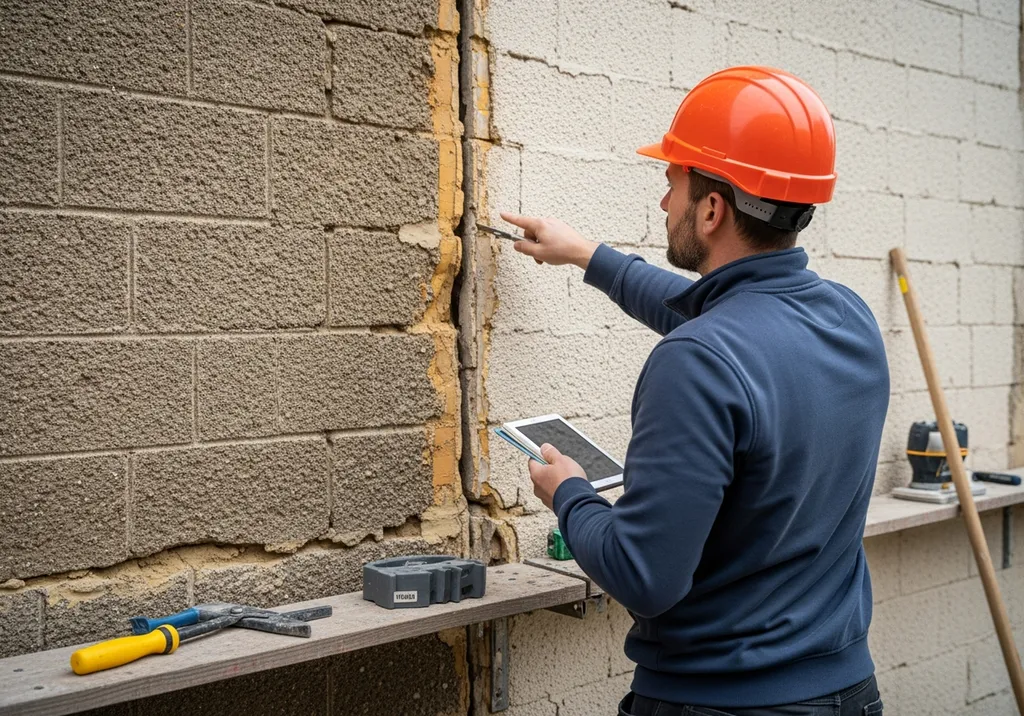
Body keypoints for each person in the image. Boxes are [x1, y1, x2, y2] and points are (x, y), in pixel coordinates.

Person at [500, 66, 889, 716]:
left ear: (712, 209)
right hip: (849, 693)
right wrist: (587, 255)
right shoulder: (850, 318)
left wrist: (568, 492)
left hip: (721, 705)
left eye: (672, 183)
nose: (663, 204)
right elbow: (711, 313)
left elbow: (644, 576)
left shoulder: (697, 360)